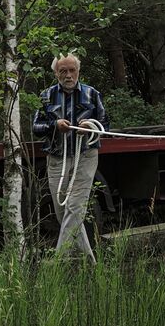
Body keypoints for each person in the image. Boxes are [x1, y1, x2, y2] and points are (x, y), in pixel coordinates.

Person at [31, 53, 109, 262]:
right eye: (63, 71)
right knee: (62, 211)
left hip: (86, 155)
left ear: (78, 72)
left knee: (75, 207)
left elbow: (105, 125)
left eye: (71, 70)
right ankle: (90, 261)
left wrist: (90, 126)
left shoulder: (92, 94)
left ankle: (59, 262)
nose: (68, 75)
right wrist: (53, 126)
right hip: (57, 158)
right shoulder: (46, 96)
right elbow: (35, 127)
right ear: (56, 73)